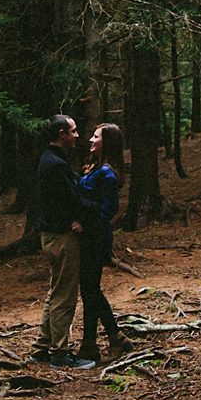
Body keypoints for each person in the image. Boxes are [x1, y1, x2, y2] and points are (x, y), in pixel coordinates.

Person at [30, 114, 87, 367]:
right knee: (64, 295)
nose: (77, 136)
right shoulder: (55, 164)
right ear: (62, 133)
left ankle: (42, 347)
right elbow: (72, 198)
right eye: (73, 131)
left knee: (55, 292)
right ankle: (60, 353)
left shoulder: (51, 159)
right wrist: (94, 210)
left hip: (52, 235)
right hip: (62, 237)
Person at [76, 123, 133, 364]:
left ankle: (116, 336)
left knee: (90, 289)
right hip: (88, 237)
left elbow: (110, 208)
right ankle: (89, 344)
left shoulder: (107, 173)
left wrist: (87, 226)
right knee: (89, 290)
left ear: (106, 142)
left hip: (95, 238)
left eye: (96, 136)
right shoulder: (94, 167)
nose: (90, 139)